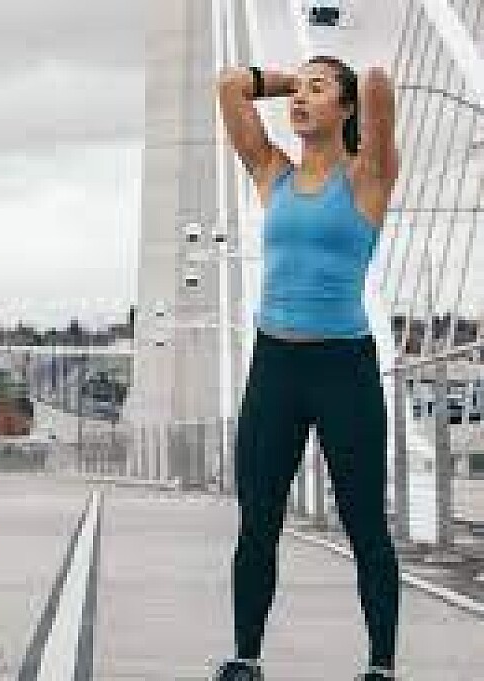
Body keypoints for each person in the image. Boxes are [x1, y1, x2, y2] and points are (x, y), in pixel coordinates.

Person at [212, 58, 400, 681]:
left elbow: (378, 86)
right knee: (257, 522)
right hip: (275, 368)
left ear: (345, 108)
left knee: (365, 523)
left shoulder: (368, 176)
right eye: (297, 89)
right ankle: (246, 658)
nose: (299, 97)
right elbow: (230, 85)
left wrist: (352, 84)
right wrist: (294, 81)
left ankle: (380, 667)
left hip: (343, 368)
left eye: (317, 90)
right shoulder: (275, 174)